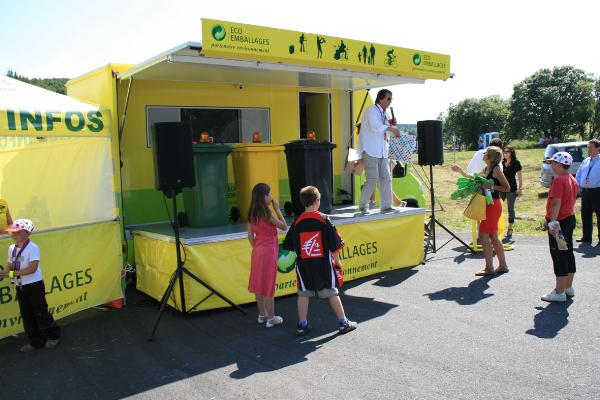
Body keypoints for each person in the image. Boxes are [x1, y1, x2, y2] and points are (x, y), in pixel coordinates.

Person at [282, 186, 357, 336]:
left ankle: (302, 324)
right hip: (323, 264)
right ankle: (343, 322)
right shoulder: (324, 219)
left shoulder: (297, 221)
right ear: (317, 201)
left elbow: (289, 244)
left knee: (303, 294)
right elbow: (334, 244)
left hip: (304, 264)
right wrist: (337, 262)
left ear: (304, 202)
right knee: (331, 292)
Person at [0, 219, 61, 352]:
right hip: (20, 286)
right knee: (26, 314)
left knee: (40, 312)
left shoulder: (33, 248)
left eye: (17, 233)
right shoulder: (11, 248)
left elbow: (32, 269)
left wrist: (10, 274)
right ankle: (36, 342)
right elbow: (9, 263)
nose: (14, 235)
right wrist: (4, 272)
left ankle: (53, 336)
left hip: (34, 285)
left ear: (27, 233)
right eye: (12, 233)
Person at [452, 147, 511, 276]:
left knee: (484, 235)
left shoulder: (496, 169)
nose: (483, 154)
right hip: (490, 204)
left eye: (485, 153)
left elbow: (507, 187)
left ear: (490, 157)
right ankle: (502, 265)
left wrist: (491, 186)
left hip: (493, 205)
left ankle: (489, 268)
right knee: (494, 237)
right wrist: (461, 171)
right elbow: (475, 179)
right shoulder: (488, 168)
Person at [247, 183, 287, 328]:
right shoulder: (268, 213)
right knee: (268, 285)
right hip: (268, 252)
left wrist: (257, 247)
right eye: (269, 194)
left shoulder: (252, 213)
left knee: (258, 283)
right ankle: (271, 318)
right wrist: (277, 208)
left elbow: (250, 235)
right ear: (264, 197)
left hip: (257, 251)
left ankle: (262, 314)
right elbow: (284, 226)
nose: (271, 196)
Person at [541, 152, 579, 302]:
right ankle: (568, 287)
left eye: (552, 163)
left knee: (559, 255)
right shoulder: (571, 178)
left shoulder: (559, 180)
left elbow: (556, 203)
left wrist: (552, 222)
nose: (551, 165)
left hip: (559, 223)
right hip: (569, 218)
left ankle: (559, 291)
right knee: (568, 252)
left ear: (559, 164)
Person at [356, 89, 400, 212]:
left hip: (382, 151)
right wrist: (391, 128)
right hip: (370, 150)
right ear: (380, 98)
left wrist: (392, 126)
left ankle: (386, 206)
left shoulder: (386, 114)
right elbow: (376, 127)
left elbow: (388, 132)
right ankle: (363, 205)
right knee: (372, 179)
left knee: (386, 178)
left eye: (391, 99)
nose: (390, 102)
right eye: (388, 99)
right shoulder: (371, 111)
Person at [575, 139, 600, 245]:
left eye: (591, 147)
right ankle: (586, 237)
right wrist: (578, 185)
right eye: (588, 147)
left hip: (597, 191)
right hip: (585, 191)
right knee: (585, 214)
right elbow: (579, 173)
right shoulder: (586, 161)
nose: (588, 150)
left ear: (598, 149)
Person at [501, 146, 522, 239]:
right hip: (501, 189)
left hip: (512, 189)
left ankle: (510, 228)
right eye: (504, 152)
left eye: (507, 152)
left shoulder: (516, 163)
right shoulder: (501, 163)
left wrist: (520, 189)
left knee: (510, 209)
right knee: (497, 207)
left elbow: (520, 177)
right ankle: (496, 227)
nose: (505, 153)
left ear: (511, 153)